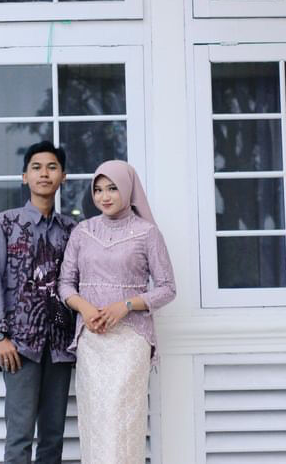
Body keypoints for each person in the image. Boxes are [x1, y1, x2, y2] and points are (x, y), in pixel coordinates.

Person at [58, 160, 176, 464]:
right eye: (98, 190)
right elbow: (65, 284)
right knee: (95, 419)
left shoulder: (147, 233)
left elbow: (167, 288)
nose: (104, 196)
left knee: (123, 421)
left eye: (112, 188)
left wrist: (125, 306)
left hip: (131, 340)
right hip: (92, 340)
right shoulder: (83, 232)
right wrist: (85, 308)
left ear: (127, 189)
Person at [0, 141, 77, 464]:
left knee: (53, 438)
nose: (44, 174)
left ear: (63, 176)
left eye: (52, 167)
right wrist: (0, 336)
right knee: (19, 436)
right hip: (19, 346)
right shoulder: (5, 224)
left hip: (60, 346)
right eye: (36, 167)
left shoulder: (71, 230)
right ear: (25, 177)